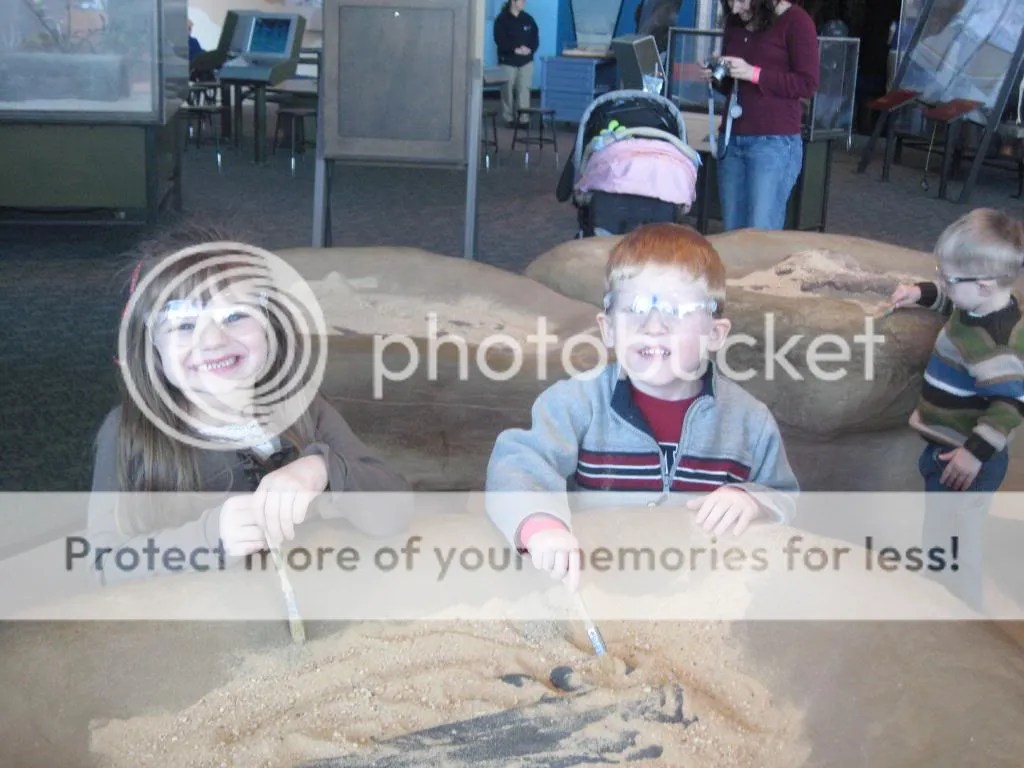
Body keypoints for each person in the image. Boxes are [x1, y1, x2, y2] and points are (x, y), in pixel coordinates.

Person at [87, 226, 409, 585]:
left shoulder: (302, 408)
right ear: (151, 346)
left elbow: (396, 508)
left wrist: (321, 469)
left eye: (235, 315)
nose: (212, 340)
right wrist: (209, 538)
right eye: (185, 324)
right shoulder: (128, 433)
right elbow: (104, 566)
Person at [485, 223, 798, 591]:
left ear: (714, 334)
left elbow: (784, 494)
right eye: (635, 308)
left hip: (701, 592)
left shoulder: (749, 420)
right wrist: (541, 527)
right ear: (608, 328)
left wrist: (752, 500)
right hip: (597, 585)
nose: (654, 326)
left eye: (677, 310)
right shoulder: (575, 403)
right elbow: (517, 464)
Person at [889, 208, 1024, 610]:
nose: (943, 283)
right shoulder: (979, 305)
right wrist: (921, 292)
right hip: (948, 451)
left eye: (948, 278)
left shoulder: (994, 343)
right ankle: (936, 596)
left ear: (983, 285)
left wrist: (973, 454)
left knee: (958, 546)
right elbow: (952, 302)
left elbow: (1012, 402)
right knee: (940, 535)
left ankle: (961, 616)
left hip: (968, 461)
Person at [707, 0, 819, 231]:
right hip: (732, 136)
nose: (735, 9)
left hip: (773, 140)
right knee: (732, 229)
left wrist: (755, 74)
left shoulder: (797, 21)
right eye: (729, 2)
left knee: (761, 229)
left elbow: (807, 84)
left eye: (741, 1)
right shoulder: (735, 22)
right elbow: (733, 85)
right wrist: (715, 74)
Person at [493, 0, 539, 128]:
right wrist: (514, 49)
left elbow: (535, 38)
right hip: (508, 61)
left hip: (526, 61)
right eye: (522, 0)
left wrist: (530, 49)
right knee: (507, 89)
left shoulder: (528, 19)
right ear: (513, 2)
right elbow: (500, 40)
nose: (524, 2)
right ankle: (508, 118)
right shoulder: (502, 19)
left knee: (524, 89)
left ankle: (524, 119)